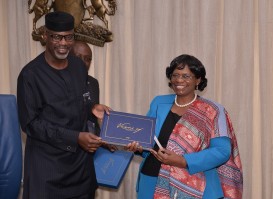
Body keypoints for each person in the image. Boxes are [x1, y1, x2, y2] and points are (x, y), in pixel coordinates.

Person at [17, 11, 110, 199]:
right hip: (47, 170)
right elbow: (30, 124)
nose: (63, 43)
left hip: (80, 168)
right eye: (57, 37)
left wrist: (92, 107)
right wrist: (75, 137)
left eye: (69, 37)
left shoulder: (77, 66)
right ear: (45, 36)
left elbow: (79, 100)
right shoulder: (30, 75)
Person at [127, 54, 243, 199]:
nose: (179, 80)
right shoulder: (158, 103)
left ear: (198, 80)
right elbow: (149, 141)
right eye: (175, 75)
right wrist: (138, 147)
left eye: (186, 76)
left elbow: (221, 151)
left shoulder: (213, 110)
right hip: (150, 181)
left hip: (196, 186)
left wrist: (183, 161)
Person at [70, 41, 100, 135]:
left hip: (91, 143)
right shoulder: (59, 82)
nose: (83, 62)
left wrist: (102, 139)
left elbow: (93, 121)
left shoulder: (93, 83)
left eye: (87, 59)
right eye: (78, 57)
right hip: (69, 142)